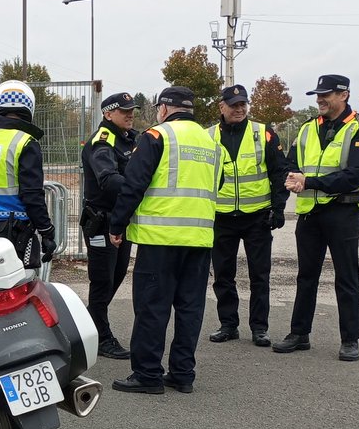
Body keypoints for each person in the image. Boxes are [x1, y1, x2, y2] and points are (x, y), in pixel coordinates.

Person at [108, 86, 222, 394]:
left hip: (160, 239)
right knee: (190, 308)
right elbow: (218, 183)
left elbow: (134, 185)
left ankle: (147, 374)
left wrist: (116, 224)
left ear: (163, 108)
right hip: (199, 240)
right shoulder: (212, 143)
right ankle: (183, 373)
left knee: (152, 307)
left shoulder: (157, 137)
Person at [274, 75, 359, 362]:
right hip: (311, 213)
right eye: (317, 95)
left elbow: (356, 174)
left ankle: (350, 340)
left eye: (326, 94)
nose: (320, 99)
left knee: (346, 277)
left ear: (344, 94)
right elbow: (292, 163)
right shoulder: (308, 128)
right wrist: (293, 177)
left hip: (343, 211)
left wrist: (310, 181)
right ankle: (299, 333)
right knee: (306, 276)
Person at [207, 84, 290, 348]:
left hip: (257, 216)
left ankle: (259, 328)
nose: (240, 109)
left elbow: (279, 172)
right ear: (222, 107)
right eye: (234, 105)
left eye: (243, 104)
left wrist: (278, 208)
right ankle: (228, 324)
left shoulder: (262, 133)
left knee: (260, 275)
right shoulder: (208, 136)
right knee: (223, 275)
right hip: (221, 216)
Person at [0, 80, 56, 269]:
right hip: (15, 233)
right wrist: (46, 230)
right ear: (29, 107)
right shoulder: (25, 142)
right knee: (17, 291)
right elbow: (32, 194)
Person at [80, 92, 139, 360]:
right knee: (102, 279)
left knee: (115, 276)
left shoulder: (129, 139)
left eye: (132, 110)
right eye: (124, 111)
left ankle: (90, 325)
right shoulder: (102, 142)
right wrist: (138, 189)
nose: (130, 114)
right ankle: (101, 337)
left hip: (119, 219)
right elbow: (108, 179)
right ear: (108, 113)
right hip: (101, 221)